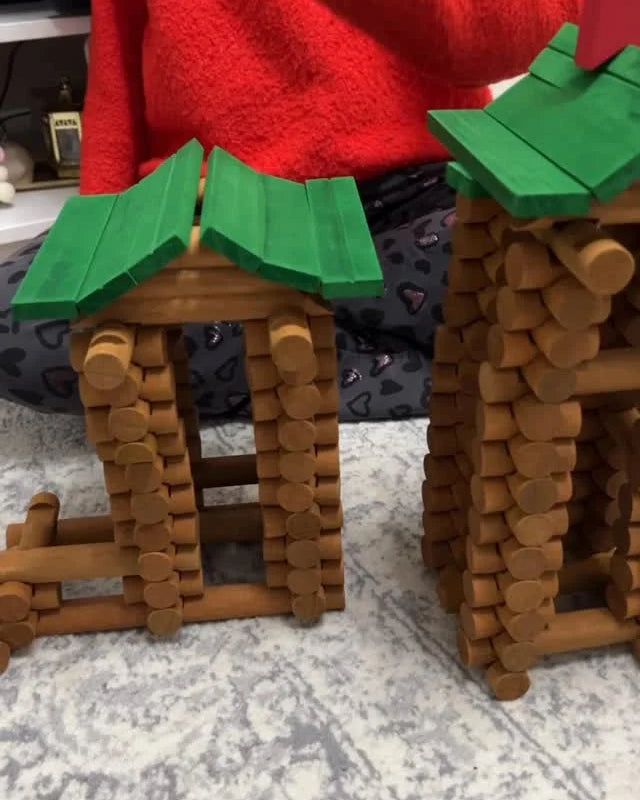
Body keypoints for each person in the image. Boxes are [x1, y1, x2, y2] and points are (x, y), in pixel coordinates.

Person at [0, 0, 582, 420]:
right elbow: (117, 77)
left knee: (568, 269)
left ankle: (287, 338)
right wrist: (103, 231)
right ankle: (443, 365)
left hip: (413, 191)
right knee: (22, 326)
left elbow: (527, 31)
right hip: (208, 205)